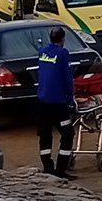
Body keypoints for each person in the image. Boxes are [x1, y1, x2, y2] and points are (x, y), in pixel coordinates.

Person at [35, 26, 78, 178]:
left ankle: (47, 167)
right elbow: (67, 78)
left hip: (41, 100)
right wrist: (70, 99)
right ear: (63, 39)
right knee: (68, 133)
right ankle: (61, 169)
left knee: (45, 134)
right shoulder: (63, 53)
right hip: (57, 103)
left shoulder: (42, 52)